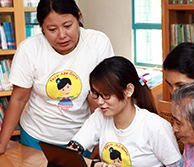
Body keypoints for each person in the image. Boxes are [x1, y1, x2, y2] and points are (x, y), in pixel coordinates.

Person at [0, 0, 114, 155]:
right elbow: (18, 99)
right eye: (52, 29)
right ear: (41, 25)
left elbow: (99, 98)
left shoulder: (97, 43)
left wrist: (99, 142)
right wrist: (1, 143)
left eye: (68, 26)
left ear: (78, 18)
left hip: (83, 138)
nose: (62, 35)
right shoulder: (29, 49)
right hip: (36, 138)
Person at [67, 56, 181, 167]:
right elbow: (69, 155)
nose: (99, 101)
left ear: (128, 90)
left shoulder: (155, 126)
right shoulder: (100, 116)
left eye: (106, 95)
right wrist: (98, 166)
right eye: (95, 93)